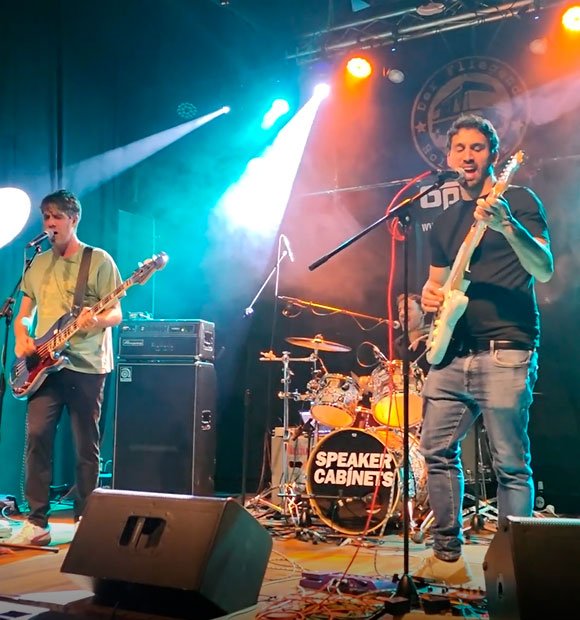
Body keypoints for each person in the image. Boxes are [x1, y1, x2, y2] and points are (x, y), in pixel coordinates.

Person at [414, 114, 553, 584]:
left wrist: (508, 226)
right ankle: (447, 558)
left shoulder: (520, 201)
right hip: (453, 352)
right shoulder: (444, 221)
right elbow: (438, 287)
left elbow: (544, 268)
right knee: (435, 449)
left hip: (505, 349)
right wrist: (428, 297)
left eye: (477, 147)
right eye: (460, 148)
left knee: (510, 464)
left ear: (494, 155)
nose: (467, 156)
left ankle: (513, 574)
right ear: (449, 156)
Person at [8, 189, 123, 545]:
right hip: (44, 365)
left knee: (85, 445)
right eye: (46, 217)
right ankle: (36, 522)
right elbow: (24, 313)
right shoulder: (37, 262)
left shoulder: (98, 260)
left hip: (87, 364)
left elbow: (116, 313)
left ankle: (87, 518)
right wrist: (21, 337)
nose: (50, 223)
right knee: (37, 436)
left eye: (57, 216)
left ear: (74, 219)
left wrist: (95, 320)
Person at [393, 292, 430, 378]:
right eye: (399, 310)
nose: (402, 314)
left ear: (423, 312)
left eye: (407, 309)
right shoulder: (398, 344)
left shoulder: (435, 338)